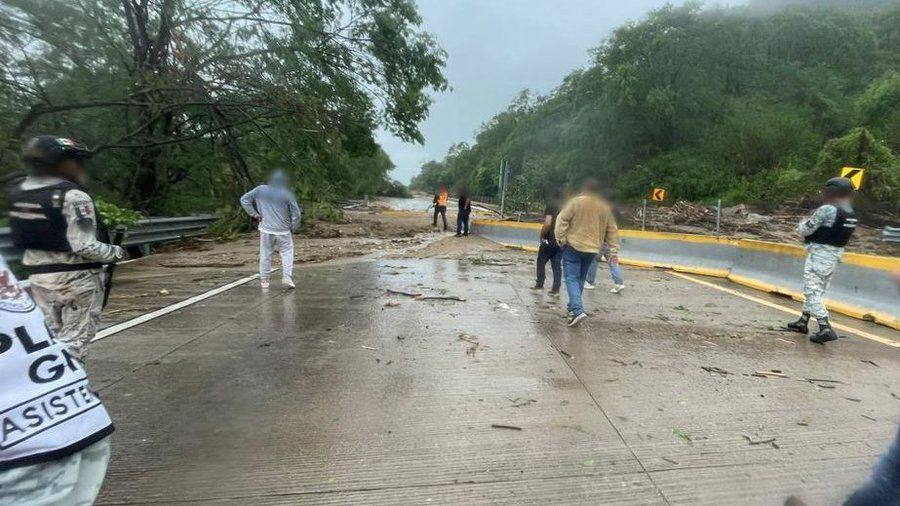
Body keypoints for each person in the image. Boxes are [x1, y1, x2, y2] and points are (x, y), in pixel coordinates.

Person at [0, 255, 113, 505]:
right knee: (72, 338)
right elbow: (84, 244)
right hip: (70, 412)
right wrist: (113, 252)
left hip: (21, 446)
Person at [7, 136, 126, 359]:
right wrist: (115, 253)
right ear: (58, 162)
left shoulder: (18, 194)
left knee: (48, 340)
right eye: (73, 160)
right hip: (76, 281)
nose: (78, 166)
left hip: (39, 281)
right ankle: (72, 390)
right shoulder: (73, 196)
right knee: (75, 342)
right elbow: (85, 245)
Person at [785, 177, 857, 344]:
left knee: (812, 290)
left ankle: (825, 327)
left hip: (820, 254)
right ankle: (803, 320)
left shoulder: (828, 209)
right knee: (816, 289)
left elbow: (805, 229)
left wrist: (801, 222)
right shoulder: (850, 212)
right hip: (834, 255)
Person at [555, 179, 620, 327]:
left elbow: (562, 219)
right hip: (592, 249)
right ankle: (572, 309)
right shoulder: (604, 207)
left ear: (584, 189)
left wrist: (561, 239)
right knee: (580, 279)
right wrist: (614, 248)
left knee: (571, 278)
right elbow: (612, 229)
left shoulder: (575, 202)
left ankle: (578, 311)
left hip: (573, 246)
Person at [240, 169, 302, 289]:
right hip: (283, 229)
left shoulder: (260, 190)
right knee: (287, 252)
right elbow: (296, 214)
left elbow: (244, 199)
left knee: (265, 253)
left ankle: (264, 280)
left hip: (266, 229)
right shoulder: (287, 193)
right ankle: (287, 277)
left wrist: (254, 214)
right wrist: (294, 227)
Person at [532, 190, 562, 295]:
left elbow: (548, 223)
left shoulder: (551, 206)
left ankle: (540, 284)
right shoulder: (565, 207)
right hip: (561, 240)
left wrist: (542, 235)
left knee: (541, 260)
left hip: (549, 239)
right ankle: (556, 289)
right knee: (556, 264)